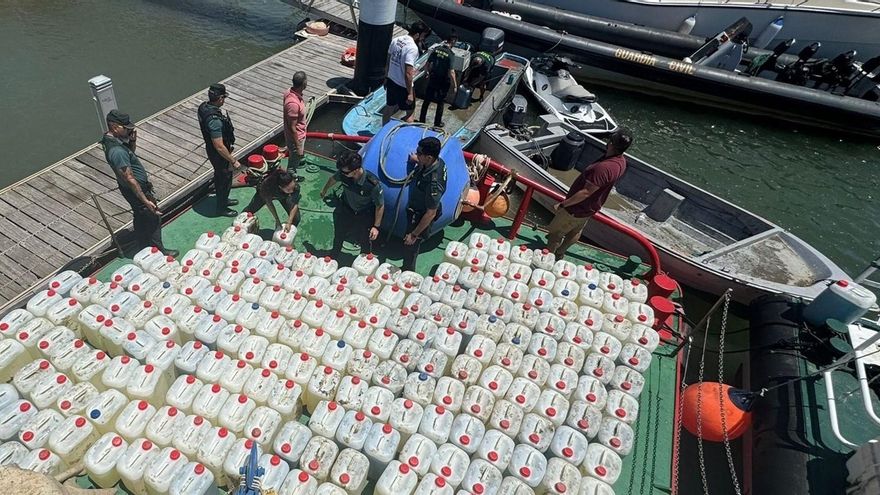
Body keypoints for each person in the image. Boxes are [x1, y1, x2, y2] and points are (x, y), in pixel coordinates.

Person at [545, 128, 633, 259]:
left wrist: (563, 204)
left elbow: (586, 192)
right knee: (575, 231)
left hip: (575, 209)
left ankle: (548, 256)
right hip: (589, 209)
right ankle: (560, 252)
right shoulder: (622, 162)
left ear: (610, 144)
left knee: (555, 234)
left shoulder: (603, 168)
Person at [101, 110, 178, 257]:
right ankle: (158, 251)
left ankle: (143, 245)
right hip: (135, 190)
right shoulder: (117, 150)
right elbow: (129, 177)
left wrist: (132, 142)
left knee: (140, 216)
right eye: (126, 128)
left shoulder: (110, 140)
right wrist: (145, 200)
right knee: (153, 217)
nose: (129, 130)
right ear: (114, 126)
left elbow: (129, 156)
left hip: (130, 189)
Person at [320, 150, 385, 255]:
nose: (342, 174)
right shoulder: (344, 174)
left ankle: (365, 260)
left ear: (355, 170)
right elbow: (333, 179)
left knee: (365, 239)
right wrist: (324, 190)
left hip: (364, 213)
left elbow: (380, 205)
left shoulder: (372, 184)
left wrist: (376, 226)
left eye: (345, 172)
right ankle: (334, 254)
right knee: (339, 234)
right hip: (347, 209)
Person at [402, 137, 447, 271]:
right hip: (418, 207)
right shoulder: (437, 161)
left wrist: (414, 234)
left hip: (422, 214)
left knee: (410, 246)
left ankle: (408, 271)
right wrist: (417, 161)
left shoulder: (434, 183)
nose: (416, 154)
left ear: (428, 157)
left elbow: (430, 213)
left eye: (419, 154)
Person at [197, 83, 239, 217]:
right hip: (218, 154)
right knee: (223, 179)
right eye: (224, 98)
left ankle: (224, 199)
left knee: (223, 177)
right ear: (220, 98)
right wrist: (233, 160)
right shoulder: (214, 121)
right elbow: (219, 146)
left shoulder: (203, 107)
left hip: (213, 150)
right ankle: (221, 208)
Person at [383, 21, 431, 125]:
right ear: (417, 35)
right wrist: (409, 93)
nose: (423, 39)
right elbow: (408, 73)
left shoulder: (396, 40)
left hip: (391, 81)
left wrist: (386, 78)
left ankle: (382, 132)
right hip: (403, 86)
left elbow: (388, 61)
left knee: (389, 108)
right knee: (410, 113)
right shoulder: (412, 48)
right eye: (423, 36)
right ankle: (405, 136)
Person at [242, 168, 301, 234]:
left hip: (284, 196)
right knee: (250, 210)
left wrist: (289, 222)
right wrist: (277, 220)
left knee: (296, 218)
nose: (292, 191)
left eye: (292, 188)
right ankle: (240, 224)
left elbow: (294, 204)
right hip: (266, 193)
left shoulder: (295, 187)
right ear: (280, 187)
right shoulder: (267, 187)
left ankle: (287, 232)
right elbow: (269, 203)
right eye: (289, 189)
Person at [418, 32, 457, 128]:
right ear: (453, 41)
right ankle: (437, 123)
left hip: (433, 77)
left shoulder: (436, 50)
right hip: (443, 81)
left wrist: (427, 72)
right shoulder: (450, 54)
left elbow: (427, 63)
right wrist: (454, 85)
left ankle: (422, 120)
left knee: (427, 100)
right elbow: (451, 72)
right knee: (440, 102)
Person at [283, 71, 308, 178]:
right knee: (293, 163)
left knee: (295, 157)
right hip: (296, 138)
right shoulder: (293, 104)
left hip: (299, 134)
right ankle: (290, 179)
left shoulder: (289, 91)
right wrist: (298, 146)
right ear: (303, 83)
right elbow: (292, 127)